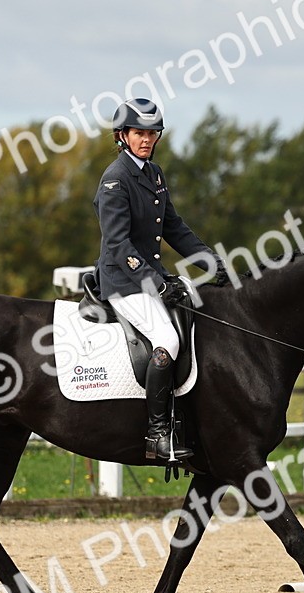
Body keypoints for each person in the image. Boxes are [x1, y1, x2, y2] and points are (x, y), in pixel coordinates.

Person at [92, 98, 226, 461]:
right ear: (122, 136)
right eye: (139, 133)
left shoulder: (154, 174)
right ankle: (157, 434)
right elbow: (119, 244)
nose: (147, 139)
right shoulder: (115, 181)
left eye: (152, 133)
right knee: (166, 339)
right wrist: (156, 281)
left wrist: (214, 263)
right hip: (123, 281)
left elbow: (174, 228)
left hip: (148, 277)